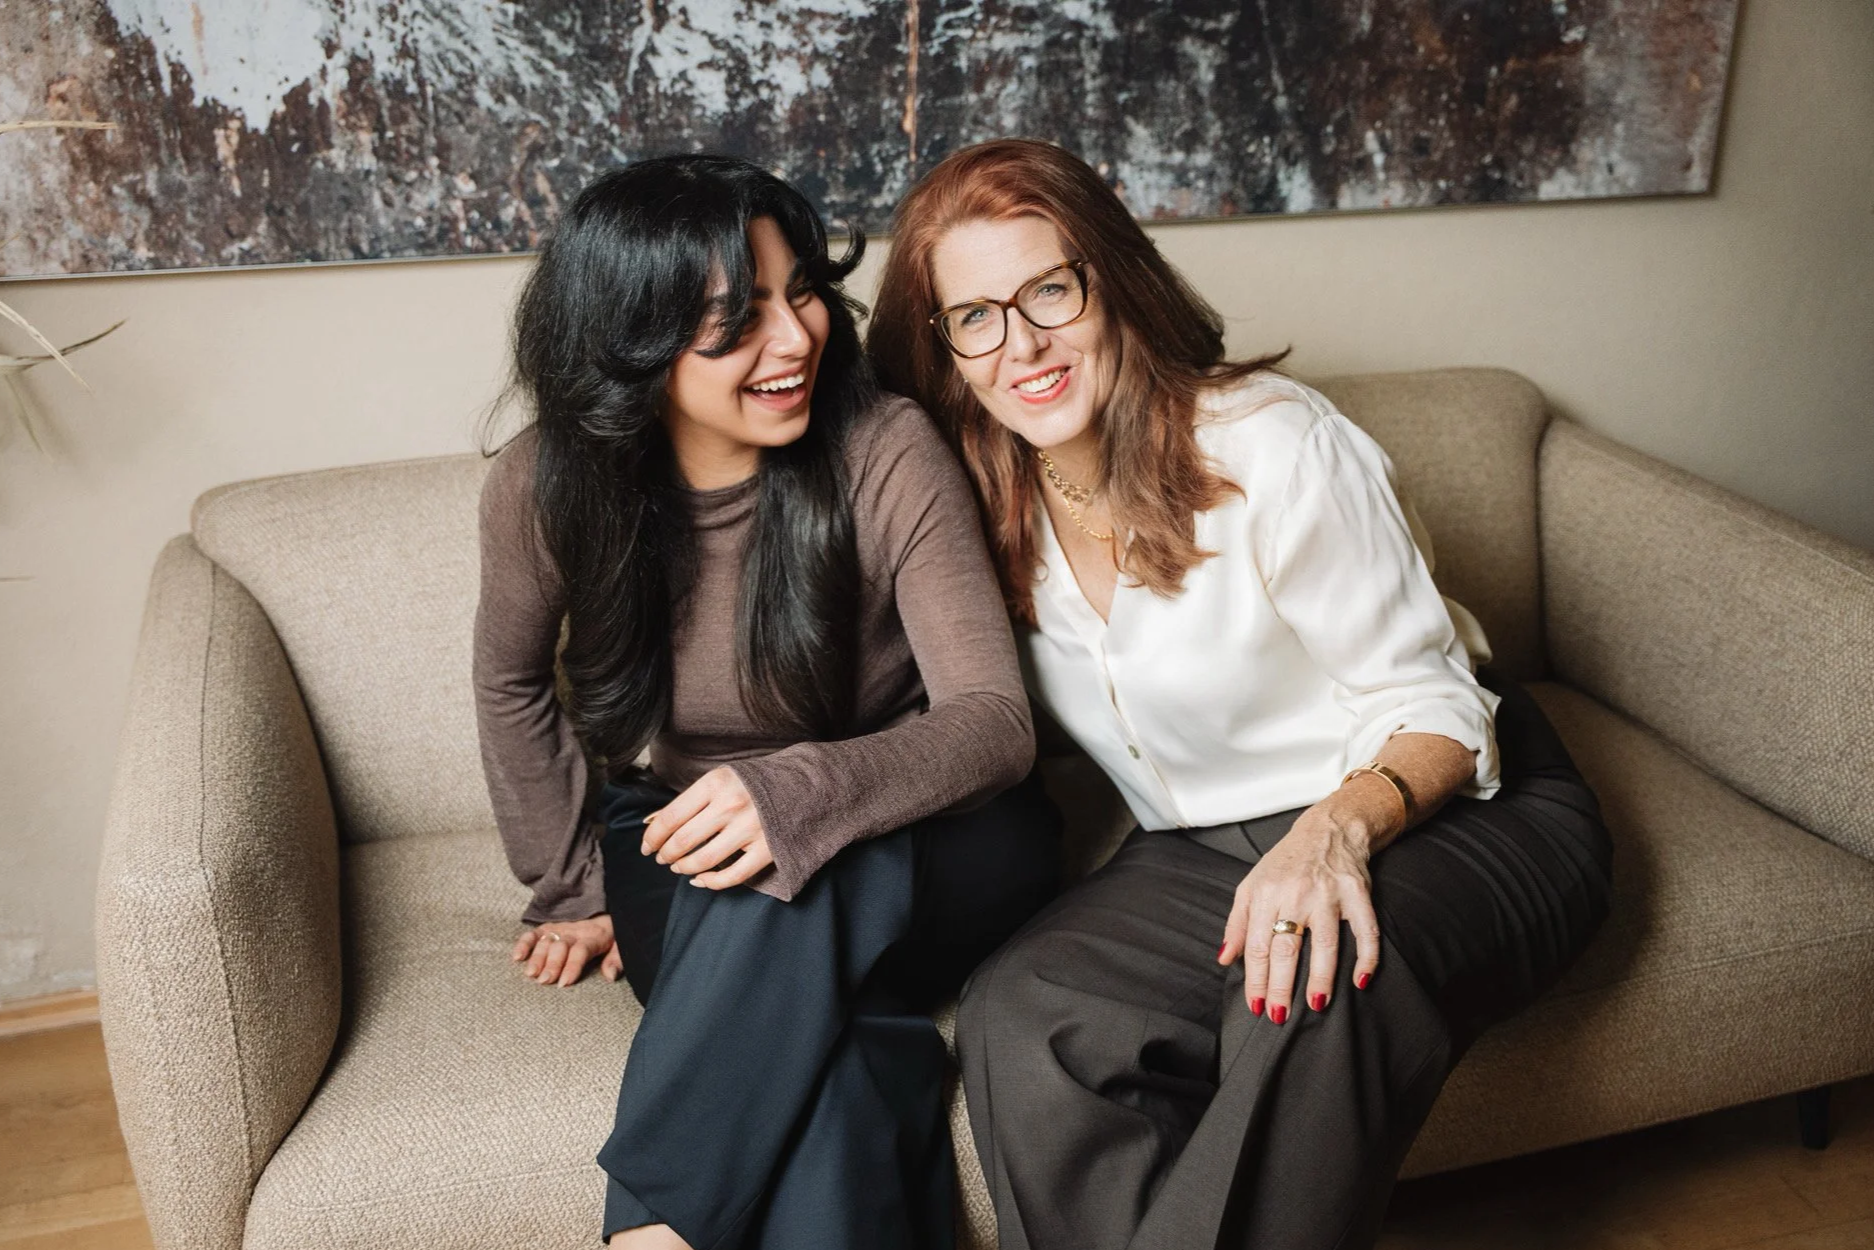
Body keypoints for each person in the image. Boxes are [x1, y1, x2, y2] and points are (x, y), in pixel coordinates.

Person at [866, 138, 1613, 1250]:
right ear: (943, 346)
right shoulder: (973, 494)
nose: (1020, 343)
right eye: (974, 315)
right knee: (1025, 1011)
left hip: (1447, 803)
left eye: (1048, 291)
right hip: (1204, 842)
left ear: (1109, 277)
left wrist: (1333, 832)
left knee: (1308, 973)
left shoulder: (1272, 441)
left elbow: (1434, 703)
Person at [473, 154, 1061, 1250]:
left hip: (935, 831)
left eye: (798, 292)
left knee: (777, 874)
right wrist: (567, 881)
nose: (794, 337)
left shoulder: (884, 446)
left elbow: (993, 719)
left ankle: (650, 1232)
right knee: (834, 1044)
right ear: (632, 342)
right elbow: (510, 680)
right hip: (686, 835)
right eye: (734, 321)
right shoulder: (543, 484)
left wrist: (794, 790)